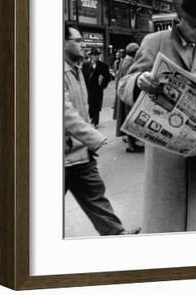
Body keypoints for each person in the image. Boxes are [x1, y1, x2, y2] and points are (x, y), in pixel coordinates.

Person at [118, 0, 196, 233]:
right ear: (179, 19)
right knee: (165, 222)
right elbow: (124, 83)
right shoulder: (155, 42)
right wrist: (139, 80)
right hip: (166, 152)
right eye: (194, 26)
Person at [64, 24, 140, 236]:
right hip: (64, 156)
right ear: (62, 43)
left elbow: (81, 108)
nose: (83, 44)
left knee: (96, 196)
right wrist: (94, 137)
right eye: (77, 41)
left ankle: (117, 235)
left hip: (81, 153)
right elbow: (64, 112)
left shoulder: (75, 68)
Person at [115, 42, 142, 153]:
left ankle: (131, 141)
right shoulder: (130, 63)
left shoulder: (123, 61)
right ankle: (132, 145)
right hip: (128, 95)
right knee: (130, 118)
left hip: (123, 94)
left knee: (127, 118)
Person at [82, 48, 111, 128]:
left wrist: (102, 81)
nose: (97, 56)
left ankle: (95, 123)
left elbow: (108, 78)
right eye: (95, 55)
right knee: (89, 105)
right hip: (88, 89)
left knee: (97, 106)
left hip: (98, 90)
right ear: (91, 56)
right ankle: (90, 120)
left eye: (98, 55)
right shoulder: (85, 65)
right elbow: (82, 77)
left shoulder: (103, 66)